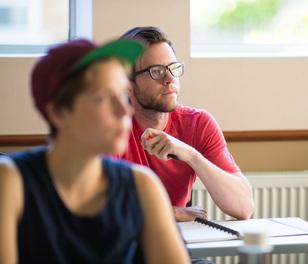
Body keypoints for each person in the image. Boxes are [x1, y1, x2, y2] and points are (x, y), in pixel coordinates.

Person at [0, 39, 189, 263]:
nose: (124, 110)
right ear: (58, 113)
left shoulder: (142, 186)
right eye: (103, 98)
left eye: (123, 96)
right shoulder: (11, 183)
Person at [117, 26, 254, 222]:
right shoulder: (112, 127)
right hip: (123, 244)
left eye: (173, 67)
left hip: (177, 243)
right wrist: (173, 212)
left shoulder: (198, 123)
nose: (170, 78)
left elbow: (244, 207)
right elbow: (99, 207)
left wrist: (192, 156)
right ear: (128, 86)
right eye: (156, 71)